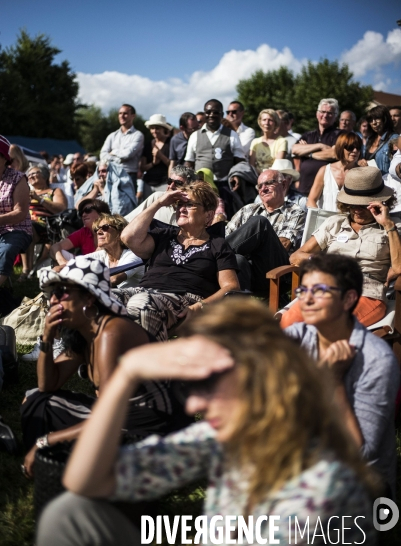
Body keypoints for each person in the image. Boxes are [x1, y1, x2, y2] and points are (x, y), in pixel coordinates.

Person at [37, 298, 377, 546]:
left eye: (209, 385)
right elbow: (86, 482)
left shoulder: (320, 488)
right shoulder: (222, 436)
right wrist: (127, 373)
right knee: (70, 512)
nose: (196, 403)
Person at [21, 258, 191, 477]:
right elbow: (47, 385)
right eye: (52, 292)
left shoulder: (111, 332)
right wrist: (47, 338)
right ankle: (51, 465)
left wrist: (47, 440)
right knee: (35, 399)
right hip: (120, 419)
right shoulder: (84, 333)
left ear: (89, 298)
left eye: (62, 291)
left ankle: (54, 464)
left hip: (152, 432)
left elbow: (109, 417)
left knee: (45, 415)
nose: (54, 300)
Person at [285, 254, 399, 496]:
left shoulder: (376, 359)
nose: (306, 300)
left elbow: (359, 452)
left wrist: (333, 381)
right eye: (302, 291)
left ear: (348, 299)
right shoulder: (297, 336)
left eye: (319, 291)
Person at [282, 166, 401, 328]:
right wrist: (324, 262)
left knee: (328, 325)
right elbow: (295, 256)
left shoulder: (394, 227)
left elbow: (399, 267)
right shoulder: (335, 223)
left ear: (381, 203)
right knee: (288, 322)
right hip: (326, 287)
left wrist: (388, 225)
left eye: (364, 205)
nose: (357, 210)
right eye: (353, 204)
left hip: (366, 292)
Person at [120, 181, 239, 341]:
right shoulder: (164, 235)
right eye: (179, 205)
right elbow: (128, 237)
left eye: (189, 204)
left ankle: (151, 364)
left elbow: (231, 286)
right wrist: (159, 203)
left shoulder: (217, 245)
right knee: (96, 297)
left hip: (184, 298)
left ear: (208, 215)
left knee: (140, 304)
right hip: (143, 292)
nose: (181, 209)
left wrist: (201, 306)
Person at [225, 168, 305, 293]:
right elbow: (228, 236)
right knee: (238, 259)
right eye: (260, 186)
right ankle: (240, 308)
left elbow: (283, 245)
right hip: (248, 271)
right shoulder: (247, 210)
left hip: (276, 274)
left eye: (269, 183)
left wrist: (251, 243)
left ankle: (213, 260)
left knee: (260, 223)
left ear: (284, 184)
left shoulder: (295, 211)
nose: (263, 189)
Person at [19, 164, 67, 280]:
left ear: (45, 176)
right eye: (29, 174)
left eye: (34, 173)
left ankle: (27, 271)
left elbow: (61, 208)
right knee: (24, 228)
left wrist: (39, 199)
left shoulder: (54, 191)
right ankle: (27, 269)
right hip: (27, 224)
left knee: (26, 227)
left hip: (48, 225)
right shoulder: (26, 192)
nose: (30, 176)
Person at [292, 98, 342, 196]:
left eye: (330, 113)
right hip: (304, 188)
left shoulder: (340, 135)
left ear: (335, 117)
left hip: (326, 190)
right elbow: (295, 149)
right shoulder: (308, 135)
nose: (325, 115)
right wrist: (320, 146)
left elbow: (334, 154)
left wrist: (308, 153)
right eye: (323, 111)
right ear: (317, 114)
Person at [0, 136, 32, 287]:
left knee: (6, 250)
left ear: (4, 158)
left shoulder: (18, 178)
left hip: (17, 229)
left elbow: (20, 212)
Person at [85, 214, 144, 288]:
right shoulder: (102, 255)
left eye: (105, 227)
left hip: (132, 298)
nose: (98, 232)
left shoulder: (133, 255)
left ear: (120, 234)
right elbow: (73, 262)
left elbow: (114, 279)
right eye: (97, 229)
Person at [125, 165, 197, 225]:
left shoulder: (193, 209)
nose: (171, 186)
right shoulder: (157, 197)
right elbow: (127, 220)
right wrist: (158, 204)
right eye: (169, 181)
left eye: (178, 183)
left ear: (189, 187)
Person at [307, 132, 362, 211]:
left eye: (358, 147)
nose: (355, 150)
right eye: (350, 147)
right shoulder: (325, 171)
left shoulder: (362, 174)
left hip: (348, 222)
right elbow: (311, 200)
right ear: (340, 147)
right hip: (325, 221)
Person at [100, 104, 145, 192]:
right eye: (120, 113)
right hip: (112, 174)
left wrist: (113, 152)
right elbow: (102, 155)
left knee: (129, 205)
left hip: (128, 175)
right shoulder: (112, 136)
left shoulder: (138, 135)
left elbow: (128, 155)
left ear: (133, 116)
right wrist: (119, 158)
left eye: (125, 113)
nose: (122, 116)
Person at [359, 105, 399, 174]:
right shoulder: (369, 138)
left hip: (386, 182)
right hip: (369, 180)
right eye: (371, 120)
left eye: (377, 118)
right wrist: (361, 162)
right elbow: (363, 158)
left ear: (385, 119)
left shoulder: (395, 138)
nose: (374, 123)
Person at [141, 114, 172, 198]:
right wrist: (153, 163)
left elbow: (173, 164)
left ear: (164, 129)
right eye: (152, 128)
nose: (154, 131)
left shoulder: (171, 143)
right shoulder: (147, 145)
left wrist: (160, 155)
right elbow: (142, 167)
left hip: (164, 183)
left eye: (157, 128)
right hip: (148, 183)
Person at [249, 109, 287, 174]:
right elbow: (251, 166)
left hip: (274, 178)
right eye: (264, 120)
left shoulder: (282, 141)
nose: (267, 123)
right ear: (260, 122)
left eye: (270, 120)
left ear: (275, 123)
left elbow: (278, 166)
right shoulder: (255, 142)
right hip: (256, 177)